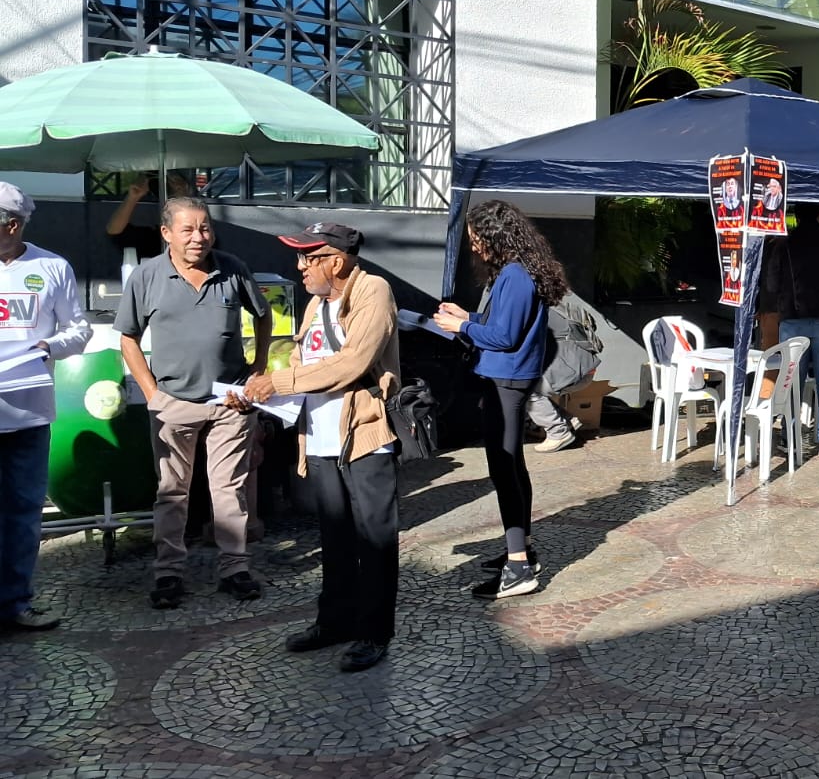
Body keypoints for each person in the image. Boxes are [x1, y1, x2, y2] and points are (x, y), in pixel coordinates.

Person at [241, 222, 399, 672]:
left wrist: (280, 382)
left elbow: (352, 364)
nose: (299, 267)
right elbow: (300, 361)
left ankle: (373, 632)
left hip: (365, 436)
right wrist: (260, 394)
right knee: (334, 537)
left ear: (336, 259)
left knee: (375, 540)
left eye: (307, 258)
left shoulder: (375, 292)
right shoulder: (314, 305)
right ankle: (334, 622)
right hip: (321, 438)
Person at [116, 196, 268, 609]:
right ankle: (168, 573)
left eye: (205, 228)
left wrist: (259, 366)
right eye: (188, 229)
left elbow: (263, 314)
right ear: (166, 234)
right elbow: (127, 338)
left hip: (230, 401)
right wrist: (151, 394)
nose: (199, 237)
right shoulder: (147, 276)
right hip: (173, 402)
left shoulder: (232, 267)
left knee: (229, 490)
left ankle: (235, 568)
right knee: (171, 492)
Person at [432, 201, 573, 600]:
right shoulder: (522, 270)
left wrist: (459, 325)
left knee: (505, 471)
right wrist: (469, 318)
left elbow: (505, 337)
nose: (475, 248)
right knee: (513, 468)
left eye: (477, 240)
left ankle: (519, 569)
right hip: (512, 380)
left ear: (495, 236)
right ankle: (522, 550)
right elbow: (501, 326)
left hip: (506, 382)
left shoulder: (514, 274)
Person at [0, 183, 90, 631]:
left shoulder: (52, 266)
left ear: (12, 226)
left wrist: (47, 345)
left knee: (22, 510)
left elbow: (79, 331)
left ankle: (15, 603)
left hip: (29, 412)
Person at [760, 202, 819, 458]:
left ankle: (790, 439)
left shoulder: (783, 244)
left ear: (795, 216)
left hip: (793, 321)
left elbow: (770, 284)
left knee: (791, 380)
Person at [105, 172, 194, 259]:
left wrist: (182, 196)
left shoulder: (196, 235)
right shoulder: (150, 238)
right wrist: (133, 196)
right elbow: (114, 231)